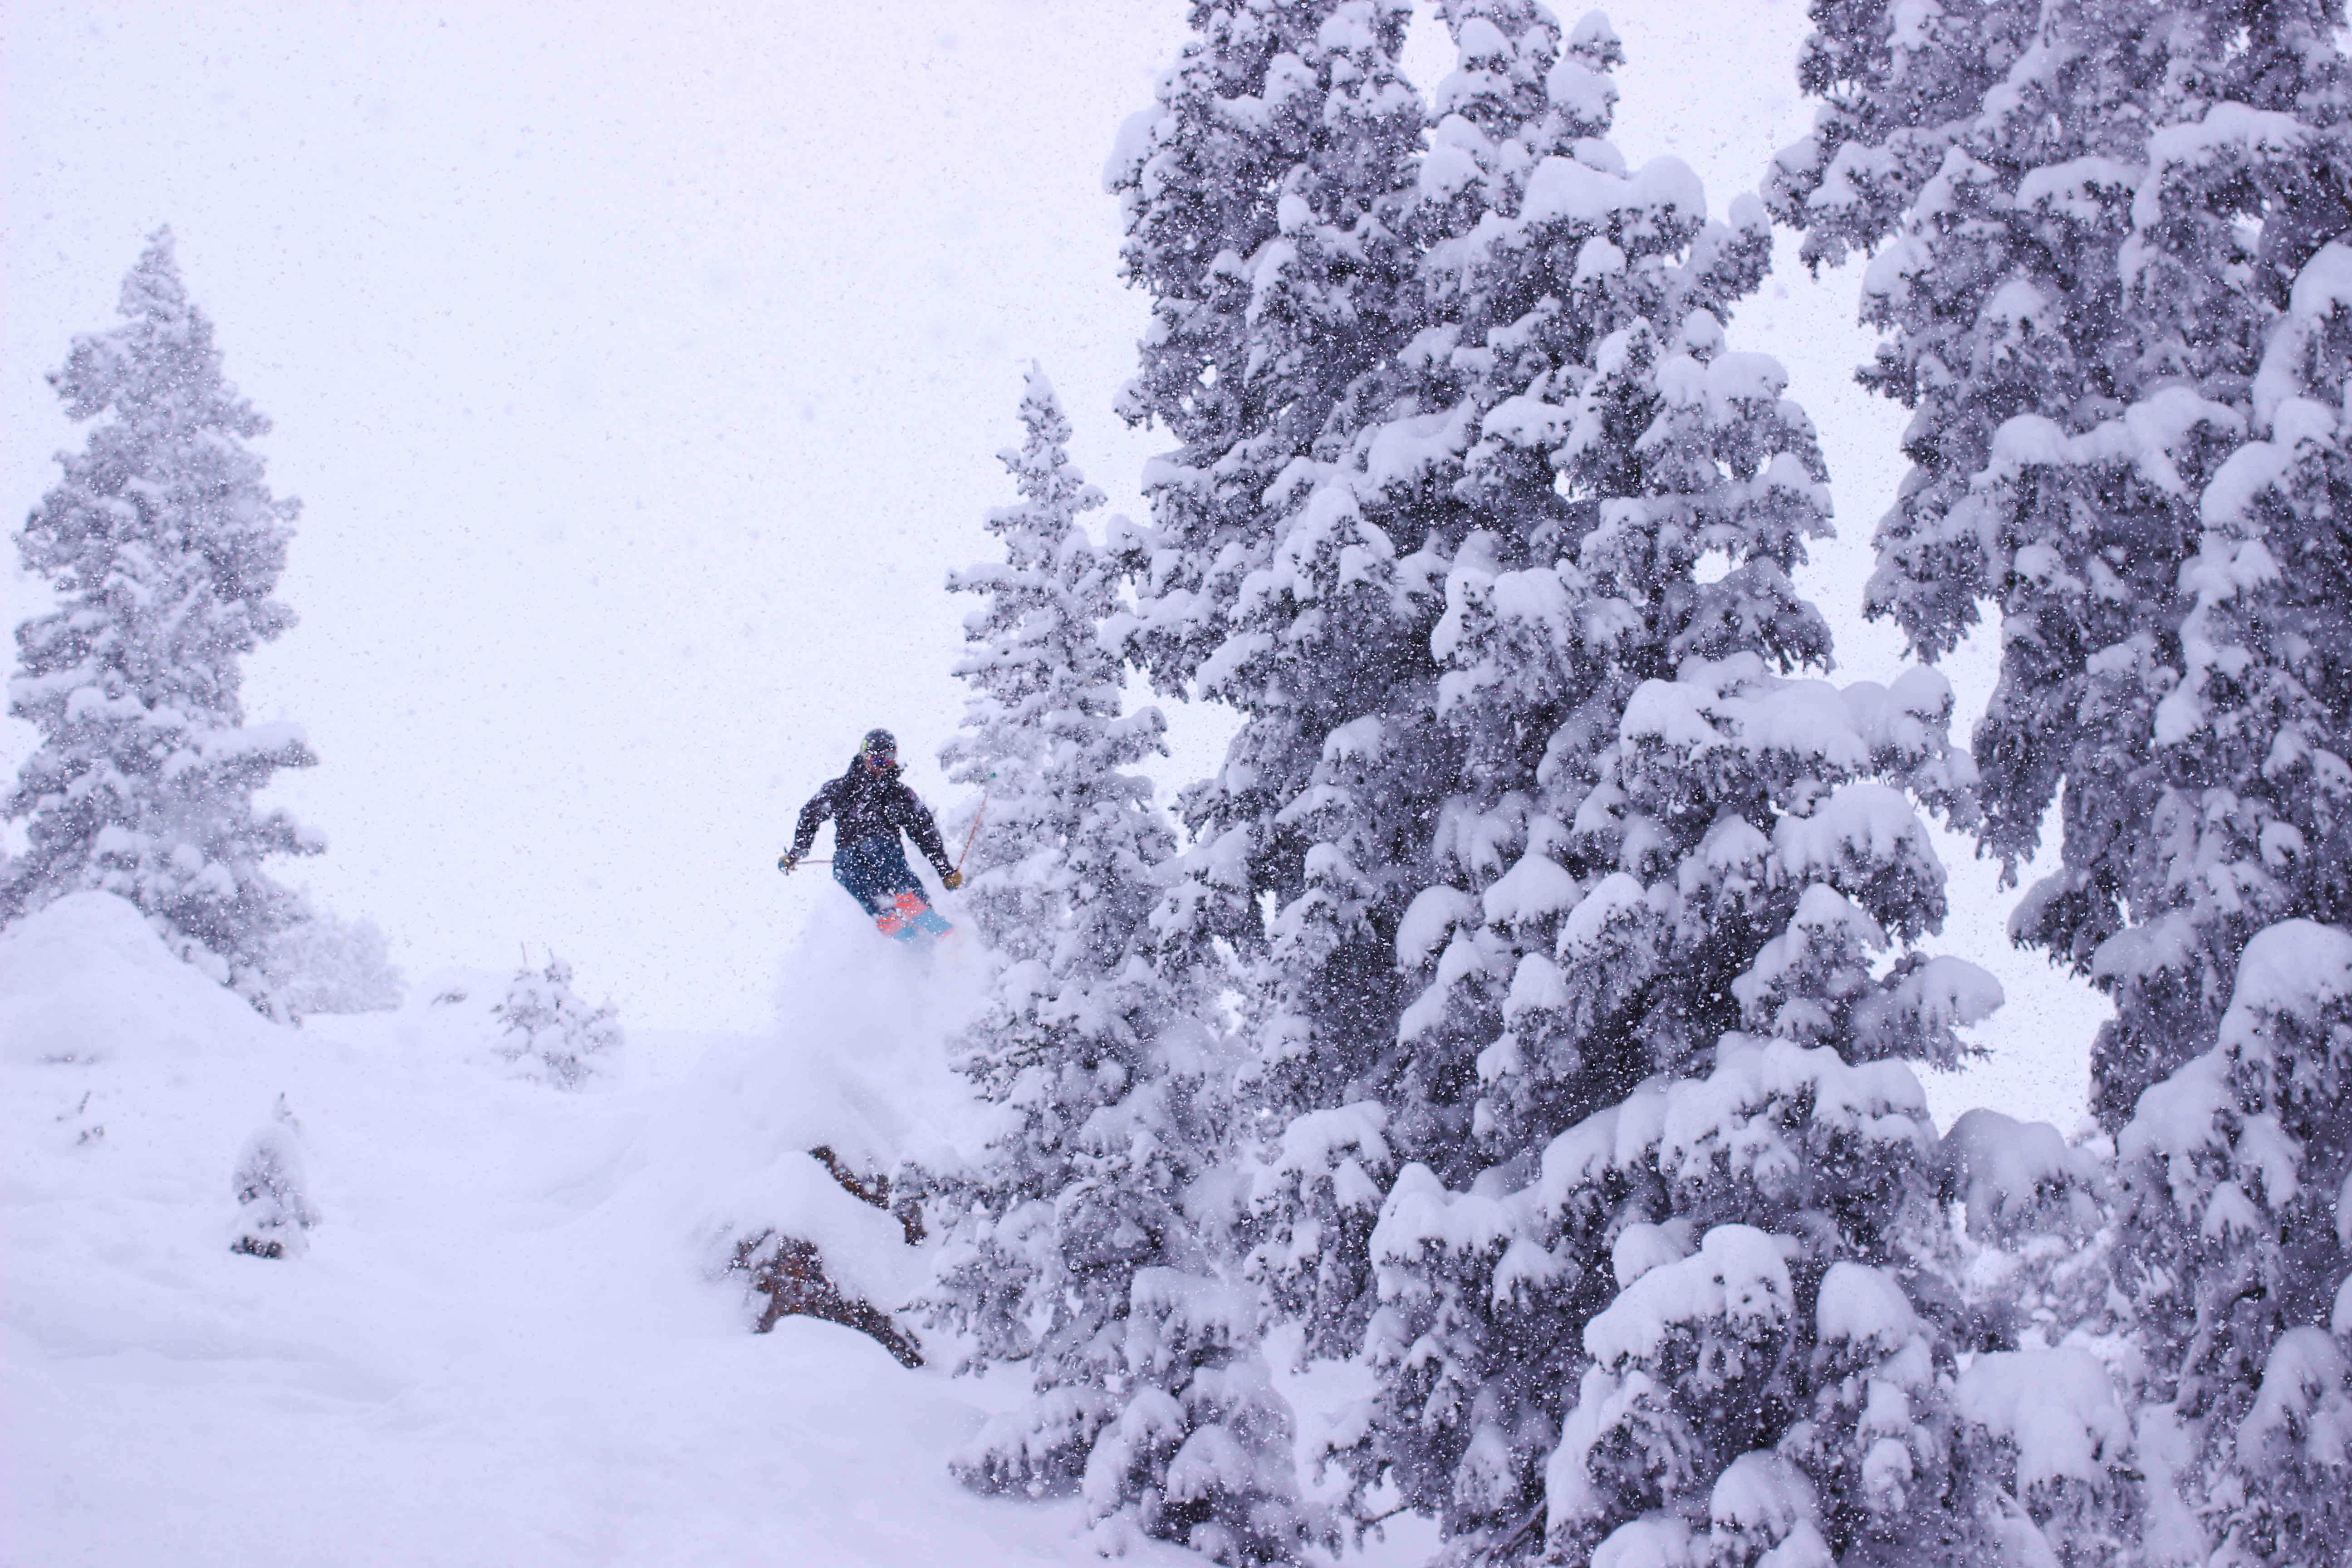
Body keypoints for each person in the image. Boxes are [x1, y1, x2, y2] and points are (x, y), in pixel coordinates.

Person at [779, 728, 963, 943]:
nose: (881, 766)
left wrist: (945, 870)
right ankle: (884, 911)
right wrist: (797, 852)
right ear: (864, 755)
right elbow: (811, 814)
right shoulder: (843, 788)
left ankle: (915, 903)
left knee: (876, 850)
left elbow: (925, 832)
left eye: (888, 759)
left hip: (883, 844)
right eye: (876, 759)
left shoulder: (899, 794)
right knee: (843, 866)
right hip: (849, 849)